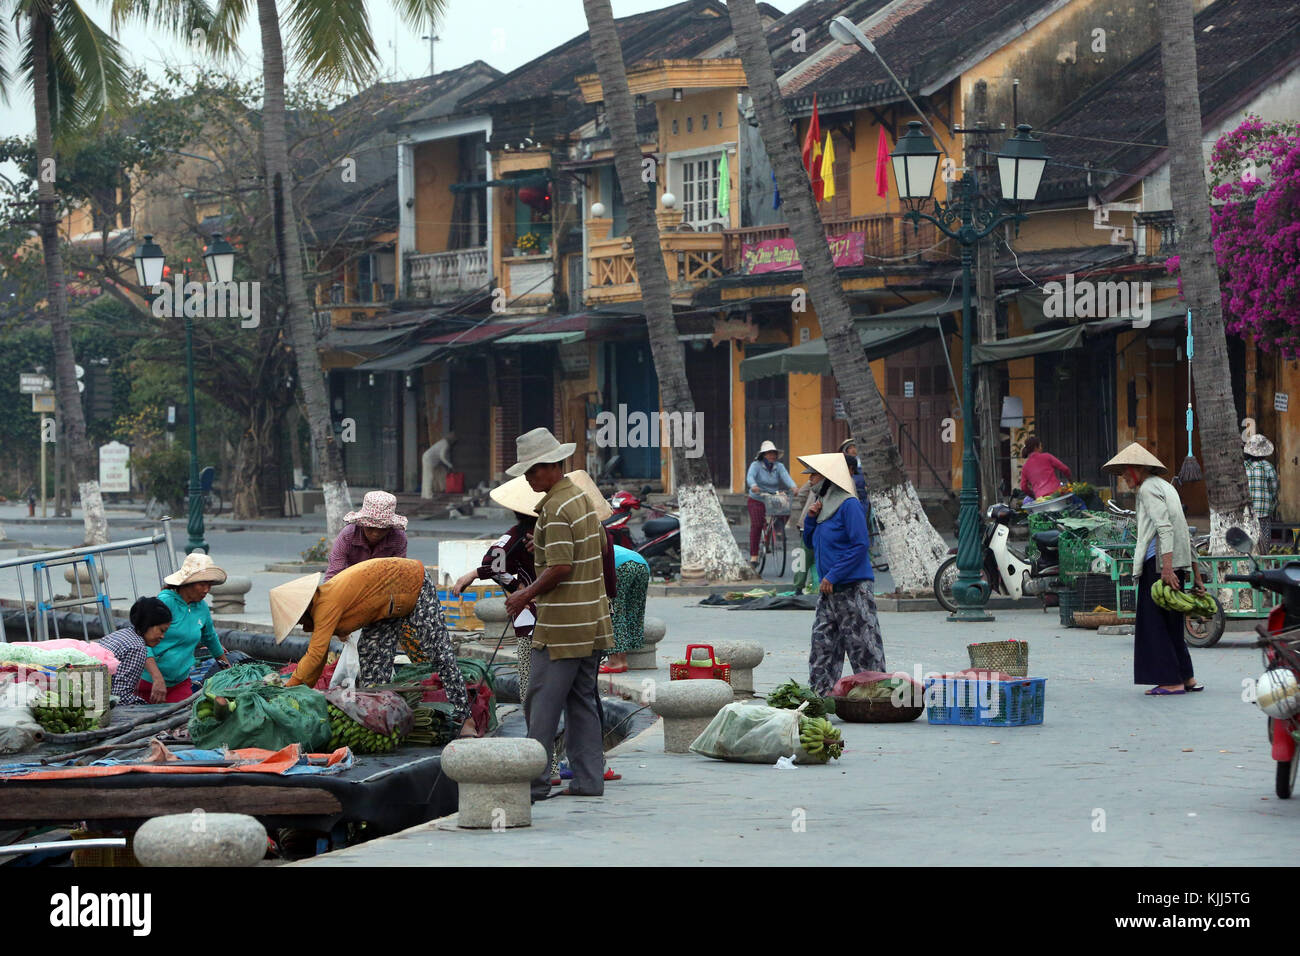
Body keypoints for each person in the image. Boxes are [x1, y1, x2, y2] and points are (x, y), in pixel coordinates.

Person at [501, 427, 613, 801]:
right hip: (591, 621)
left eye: (531, 471)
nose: (528, 479)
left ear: (550, 467)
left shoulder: (554, 506)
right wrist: (543, 547)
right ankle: (587, 780)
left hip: (564, 625)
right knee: (581, 700)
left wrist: (524, 595)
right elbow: (592, 546)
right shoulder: (579, 499)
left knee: (541, 701)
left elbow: (562, 567)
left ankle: (533, 783)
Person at [270, 557, 475, 736]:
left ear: (305, 608)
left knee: (440, 653)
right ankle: (385, 719)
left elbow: (315, 654)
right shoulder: (323, 603)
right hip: (384, 605)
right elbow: (319, 658)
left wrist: (289, 689)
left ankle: (465, 718)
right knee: (371, 661)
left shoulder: (325, 603)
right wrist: (304, 688)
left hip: (412, 583)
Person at [1103, 443, 1205, 696]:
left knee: (1153, 625)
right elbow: (1183, 529)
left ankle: (1171, 681)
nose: (1125, 480)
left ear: (1139, 470)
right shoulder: (1166, 487)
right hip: (1173, 563)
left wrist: (1167, 569)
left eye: (1127, 474)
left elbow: (1166, 528)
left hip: (1159, 565)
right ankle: (1186, 677)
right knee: (1171, 623)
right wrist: (1196, 574)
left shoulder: (1148, 490)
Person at [797, 452, 886, 697]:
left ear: (828, 478)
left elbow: (860, 545)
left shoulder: (849, 505)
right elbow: (809, 543)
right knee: (822, 644)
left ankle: (875, 695)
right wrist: (812, 519)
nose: (810, 481)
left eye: (814, 475)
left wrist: (833, 575)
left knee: (863, 645)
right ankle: (819, 697)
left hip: (852, 586)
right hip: (829, 591)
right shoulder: (822, 505)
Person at [453, 475, 543, 703]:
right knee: (533, 677)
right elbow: (493, 564)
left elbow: (491, 565)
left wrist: (475, 574)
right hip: (534, 615)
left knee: (533, 679)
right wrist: (517, 587)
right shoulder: (520, 536)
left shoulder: (529, 534)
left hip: (543, 615)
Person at [146, 554, 231, 703]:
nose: (206, 590)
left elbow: (210, 638)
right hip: (150, 682)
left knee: (183, 720)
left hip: (180, 681)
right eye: (202, 584)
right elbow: (143, 640)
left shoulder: (202, 607)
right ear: (187, 583)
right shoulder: (166, 602)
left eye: (209, 585)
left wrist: (228, 670)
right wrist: (157, 678)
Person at [97, 597, 172, 705]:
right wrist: (147, 707)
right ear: (148, 623)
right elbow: (120, 697)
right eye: (161, 630)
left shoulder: (123, 633)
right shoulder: (137, 648)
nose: (162, 636)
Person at [324, 491, 409, 582]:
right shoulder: (348, 535)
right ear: (362, 524)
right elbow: (334, 573)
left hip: (382, 584)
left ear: (390, 527)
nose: (375, 534)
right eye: (370, 528)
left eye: (383, 529)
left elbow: (398, 572)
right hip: (350, 582)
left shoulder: (398, 537)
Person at [746, 440, 797, 568]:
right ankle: (754, 556)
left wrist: (793, 487)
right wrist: (754, 486)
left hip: (772, 497)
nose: (772, 456)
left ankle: (777, 528)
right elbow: (750, 477)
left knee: (786, 507)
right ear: (763, 455)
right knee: (757, 525)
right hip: (757, 498)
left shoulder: (779, 466)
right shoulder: (755, 465)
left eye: (773, 453)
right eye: (769, 453)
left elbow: (786, 477)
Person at [602, 544, 649, 674]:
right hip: (642, 564)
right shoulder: (606, 542)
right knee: (632, 611)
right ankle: (623, 660)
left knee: (614, 611)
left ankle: (615, 662)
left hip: (620, 567)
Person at [790, 465, 822, 596]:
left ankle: (800, 586)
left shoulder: (815, 487)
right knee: (810, 557)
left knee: (804, 558)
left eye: (813, 475)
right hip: (814, 525)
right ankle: (808, 586)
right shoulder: (824, 487)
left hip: (807, 524)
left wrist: (806, 509)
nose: (810, 478)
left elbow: (802, 494)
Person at [1244, 433, 1279, 551]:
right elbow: (1274, 490)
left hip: (1246, 512)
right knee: (1264, 541)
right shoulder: (1268, 467)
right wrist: (1273, 506)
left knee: (1248, 540)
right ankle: (1265, 562)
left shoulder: (1243, 466)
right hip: (1264, 511)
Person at [1019, 435, 1071, 500]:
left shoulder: (1025, 467)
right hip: (1056, 495)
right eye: (1040, 446)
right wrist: (1070, 481)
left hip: (1041, 500)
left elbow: (1023, 487)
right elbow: (1065, 469)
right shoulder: (1047, 456)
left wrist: (1033, 495)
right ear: (1036, 447)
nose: (1041, 448)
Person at [421, 431, 456, 498]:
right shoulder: (446, 444)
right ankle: (428, 495)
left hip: (427, 457)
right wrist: (449, 465)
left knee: (426, 476)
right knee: (430, 477)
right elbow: (442, 456)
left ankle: (424, 494)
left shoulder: (442, 442)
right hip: (429, 459)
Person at [839, 438, 868, 508]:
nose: (853, 450)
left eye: (854, 447)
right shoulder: (841, 464)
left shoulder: (864, 463)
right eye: (850, 448)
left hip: (863, 498)